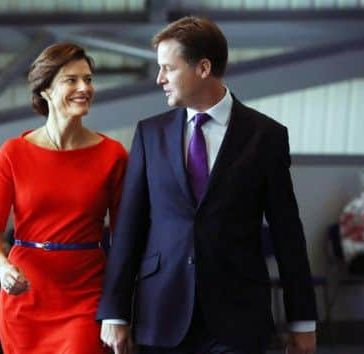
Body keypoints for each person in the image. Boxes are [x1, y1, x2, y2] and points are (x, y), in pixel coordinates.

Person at [97, 16, 317, 354]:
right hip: (162, 312)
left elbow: (288, 233)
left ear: (202, 68)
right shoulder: (148, 134)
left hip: (239, 317)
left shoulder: (266, 137)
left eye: (168, 68)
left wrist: (302, 322)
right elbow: (129, 227)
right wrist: (114, 311)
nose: (159, 79)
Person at [0, 43, 128, 354]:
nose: (84, 87)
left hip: (86, 294)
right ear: (45, 90)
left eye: (88, 79)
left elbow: (124, 237)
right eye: (71, 80)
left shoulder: (113, 154)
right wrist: (3, 268)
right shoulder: (13, 153)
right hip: (25, 298)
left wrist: (118, 309)